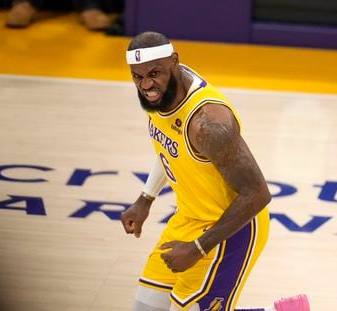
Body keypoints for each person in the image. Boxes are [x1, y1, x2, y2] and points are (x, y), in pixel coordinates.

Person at [121, 31, 310, 311]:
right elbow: (168, 146)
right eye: (137, 77)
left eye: (154, 73)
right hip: (188, 219)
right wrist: (145, 198)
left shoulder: (208, 125)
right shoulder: (158, 95)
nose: (147, 84)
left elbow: (258, 194)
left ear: (174, 62)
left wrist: (198, 248)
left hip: (232, 230)